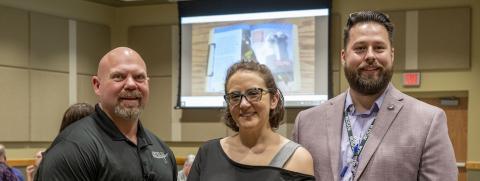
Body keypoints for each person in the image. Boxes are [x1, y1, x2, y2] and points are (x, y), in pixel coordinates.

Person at [292, 10, 458, 181]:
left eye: (379, 48)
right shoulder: (306, 123)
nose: (370, 55)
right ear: (343, 56)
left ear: (391, 55)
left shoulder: (428, 121)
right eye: (360, 48)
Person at [35, 47, 177, 181]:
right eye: (119, 76)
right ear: (97, 85)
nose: (131, 84)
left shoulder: (162, 151)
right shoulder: (72, 148)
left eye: (139, 77)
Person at [188, 60, 315, 181]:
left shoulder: (298, 159)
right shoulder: (208, 153)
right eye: (235, 96)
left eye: (254, 93)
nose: (243, 104)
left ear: (274, 99)